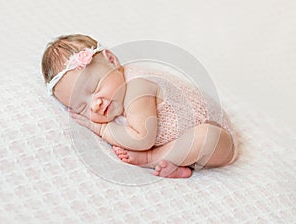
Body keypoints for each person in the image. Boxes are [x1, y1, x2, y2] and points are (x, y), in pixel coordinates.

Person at [41, 34, 237, 178]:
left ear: (112, 60)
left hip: (219, 139)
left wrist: (101, 128)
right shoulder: (116, 93)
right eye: (82, 107)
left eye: (96, 87)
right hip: (184, 142)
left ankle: (152, 158)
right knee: (191, 142)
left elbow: (142, 138)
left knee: (205, 137)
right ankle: (179, 165)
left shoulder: (137, 86)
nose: (95, 104)